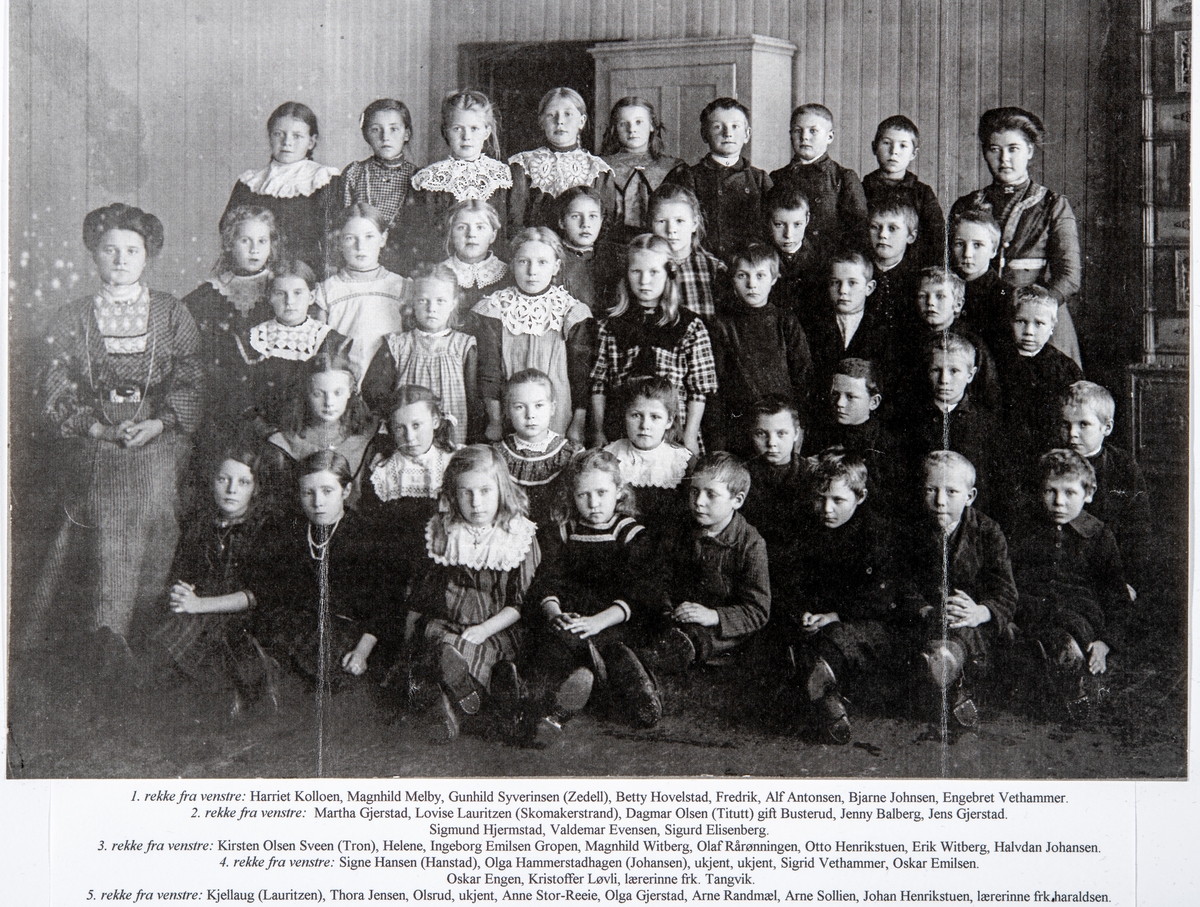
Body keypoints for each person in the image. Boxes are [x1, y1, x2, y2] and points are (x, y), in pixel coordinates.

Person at [34, 203, 203, 673]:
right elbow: (54, 385)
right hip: (93, 430)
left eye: (132, 250)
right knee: (100, 502)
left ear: (148, 256)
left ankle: (141, 628)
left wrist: (159, 424)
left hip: (159, 431)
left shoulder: (172, 311)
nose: (121, 259)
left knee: (153, 499)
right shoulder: (71, 316)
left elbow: (191, 379)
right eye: (110, 250)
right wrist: (99, 428)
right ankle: (101, 632)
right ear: (94, 254)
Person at [525, 449, 663, 744]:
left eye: (601, 493)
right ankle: (564, 699)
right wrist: (555, 613)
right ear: (572, 497)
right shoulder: (565, 532)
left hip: (612, 621)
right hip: (573, 621)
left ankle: (633, 691)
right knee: (554, 647)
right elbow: (548, 579)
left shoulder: (630, 533)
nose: (593, 503)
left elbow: (641, 591)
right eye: (583, 495)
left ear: (619, 492)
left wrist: (598, 621)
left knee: (615, 650)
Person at [405, 446, 540, 741]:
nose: (476, 503)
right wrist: (409, 632)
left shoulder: (518, 535)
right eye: (466, 493)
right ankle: (454, 703)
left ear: (502, 490)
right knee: (440, 648)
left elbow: (520, 602)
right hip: (447, 624)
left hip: (497, 627)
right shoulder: (444, 530)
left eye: (485, 491)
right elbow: (424, 591)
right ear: (454, 495)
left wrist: (484, 629)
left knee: (483, 656)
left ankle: (481, 699)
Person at [950, 107, 1083, 366]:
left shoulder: (1053, 204)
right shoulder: (966, 205)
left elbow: (1069, 276)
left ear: (1029, 151)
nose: (1004, 159)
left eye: (1013, 149)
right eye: (994, 149)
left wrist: (1036, 310)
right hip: (980, 316)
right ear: (984, 152)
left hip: (1034, 321)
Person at [151, 447, 276, 717]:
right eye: (223, 479)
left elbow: (254, 595)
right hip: (201, 610)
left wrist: (198, 604)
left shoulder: (263, 529)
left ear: (255, 489)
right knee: (168, 632)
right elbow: (182, 573)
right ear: (212, 481)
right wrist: (182, 593)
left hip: (242, 617)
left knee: (193, 636)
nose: (231, 489)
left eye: (243, 482)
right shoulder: (200, 525)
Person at [899, 451, 1017, 733]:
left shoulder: (987, 532)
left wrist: (980, 611)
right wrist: (925, 609)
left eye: (951, 492)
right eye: (931, 490)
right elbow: (902, 584)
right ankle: (952, 688)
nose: (940, 500)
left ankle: (952, 679)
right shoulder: (912, 532)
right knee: (915, 642)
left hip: (972, 623)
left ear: (970, 496)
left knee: (964, 636)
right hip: (929, 618)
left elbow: (1006, 591)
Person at [783, 449, 895, 744]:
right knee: (794, 640)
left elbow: (880, 596)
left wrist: (836, 615)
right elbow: (792, 580)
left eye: (837, 500)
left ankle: (824, 696)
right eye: (819, 498)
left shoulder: (875, 534)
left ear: (861, 497)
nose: (827, 508)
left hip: (859, 622)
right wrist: (803, 612)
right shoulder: (806, 529)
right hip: (816, 621)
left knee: (839, 641)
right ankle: (826, 701)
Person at [1009, 450, 1129, 721]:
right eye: (1050, 491)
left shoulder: (1098, 534)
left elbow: (1117, 599)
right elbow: (1010, 578)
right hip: (1031, 608)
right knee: (1017, 631)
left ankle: (1071, 676)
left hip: (1078, 616)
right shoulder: (1025, 528)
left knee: (1069, 637)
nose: (1059, 502)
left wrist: (1106, 643)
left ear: (1089, 493)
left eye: (1070, 493)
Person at [253, 451, 391, 685]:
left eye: (328, 491)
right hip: (292, 629)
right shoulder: (290, 529)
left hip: (346, 635)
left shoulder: (366, 536)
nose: (317, 502)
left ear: (345, 491)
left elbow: (383, 606)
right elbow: (273, 591)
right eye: (308, 493)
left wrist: (361, 652)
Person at [639, 453, 771, 674]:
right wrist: (667, 609)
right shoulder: (680, 528)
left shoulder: (750, 544)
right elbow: (661, 576)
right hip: (680, 615)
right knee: (649, 619)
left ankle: (646, 665)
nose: (699, 501)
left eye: (711, 494)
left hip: (719, 628)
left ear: (737, 500)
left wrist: (713, 616)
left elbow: (758, 610)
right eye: (694, 491)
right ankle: (636, 662)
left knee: (695, 639)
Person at [590, 234, 718, 456]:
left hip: (674, 434)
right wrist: (599, 430)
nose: (644, 281)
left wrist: (689, 436)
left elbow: (699, 389)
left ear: (669, 274)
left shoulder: (690, 326)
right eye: (636, 272)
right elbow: (599, 384)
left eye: (654, 272)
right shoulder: (609, 325)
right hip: (622, 430)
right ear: (626, 274)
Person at [470, 227, 595, 444]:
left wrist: (578, 423)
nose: (532, 271)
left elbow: (581, 376)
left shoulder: (571, 311)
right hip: (509, 414)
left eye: (542, 262)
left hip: (557, 414)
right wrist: (495, 421)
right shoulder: (494, 309)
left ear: (556, 267)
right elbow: (489, 372)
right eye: (523, 262)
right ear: (512, 265)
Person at [360, 386, 460, 615]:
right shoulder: (383, 471)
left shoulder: (452, 462)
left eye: (417, 425)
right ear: (390, 428)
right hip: (395, 563)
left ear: (435, 421)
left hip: (442, 560)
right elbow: (374, 528)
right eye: (400, 428)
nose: (410, 437)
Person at [184, 206, 278, 449]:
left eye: (262, 241)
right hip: (224, 402)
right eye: (245, 240)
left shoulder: (283, 289)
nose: (255, 249)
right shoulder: (207, 295)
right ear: (228, 243)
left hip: (275, 399)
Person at [707, 242, 812, 452]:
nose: (751, 284)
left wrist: (799, 426)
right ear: (732, 279)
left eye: (760, 276)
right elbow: (716, 385)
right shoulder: (722, 325)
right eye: (742, 275)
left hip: (781, 426)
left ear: (774, 279)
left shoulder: (785, 321)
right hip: (739, 428)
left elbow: (804, 377)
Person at [362, 262, 478, 445]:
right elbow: (375, 391)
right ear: (413, 302)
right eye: (423, 300)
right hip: (409, 436)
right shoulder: (397, 345)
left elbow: (474, 399)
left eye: (440, 301)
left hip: (453, 433)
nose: (432, 308)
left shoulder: (463, 346)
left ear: (453, 303)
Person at [236, 259, 352, 439]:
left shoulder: (329, 340)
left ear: (311, 297)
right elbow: (242, 398)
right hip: (264, 433)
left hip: (313, 432)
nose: (289, 301)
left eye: (298, 293)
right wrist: (266, 432)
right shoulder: (253, 340)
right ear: (269, 297)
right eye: (280, 293)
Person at [222, 102, 339, 277]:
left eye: (297, 136)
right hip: (253, 272)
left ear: (311, 141)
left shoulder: (324, 180)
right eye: (279, 134)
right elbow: (228, 230)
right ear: (270, 137)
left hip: (304, 276)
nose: (287, 142)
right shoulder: (250, 183)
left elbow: (334, 236)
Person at [1059, 381, 1151, 596]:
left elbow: (1138, 529)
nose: (1072, 433)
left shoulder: (1123, 467)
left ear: (1106, 428)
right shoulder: (1051, 463)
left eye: (1083, 424)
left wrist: (1128, 581)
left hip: (1108, 570)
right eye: (1065, 424)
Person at [406, 90, 512, 267]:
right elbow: (423, 235)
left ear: (487, 131)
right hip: (445, 269)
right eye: (457, 129)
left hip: (495, 267)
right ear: (446, 132)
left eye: (474, 128)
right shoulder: (430, 178)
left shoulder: (502, 175)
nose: (466, 137)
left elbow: (508, 229)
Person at [315, 203, 410, 389]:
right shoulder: (327, 290)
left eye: (369, 237)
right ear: (339, 241)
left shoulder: (400, 286)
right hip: (342, 384)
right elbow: (321, 346)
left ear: (383, 239)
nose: (360, 246)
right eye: (350, 238)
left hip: (390, 380)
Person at [264, 352, 377, 508]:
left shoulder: (365, 438)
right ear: (306, 393)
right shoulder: (284, 441)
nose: (329, 402)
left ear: (350, 392)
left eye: (338, 393)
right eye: (318, 394)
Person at [993, 287, 1084, 482]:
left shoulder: (1065, 368)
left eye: (1039, 323)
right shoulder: (996, 363)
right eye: (1021, 322)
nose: (1029, 331)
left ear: (1052, 326)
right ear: (1010, 321)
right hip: (1004, 454)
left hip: (1049, 453)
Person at [665, 97, 772, 259]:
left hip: (748, 265)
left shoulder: (759, 179)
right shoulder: (688, 176)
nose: (727, 133)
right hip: (700, 262)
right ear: (704, 134)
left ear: (747, 134)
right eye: (717, 127)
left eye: (735, 126)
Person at [508, 87, 617, 236]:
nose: (559, 121)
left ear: (582, 121)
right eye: (551, 115)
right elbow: (515, 221)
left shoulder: (597, 169)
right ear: (541, 121)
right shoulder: (523, 164)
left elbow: (605, 223)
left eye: (568, 114)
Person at [769, 103, 869, 251]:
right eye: (797, 131)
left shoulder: (844, 178)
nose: (804, 137)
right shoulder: (778, 178)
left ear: (830, 136)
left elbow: (858, 231)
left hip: (831, 260)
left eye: (813, 131)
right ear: (790, 135)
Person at [603, 376, 694, 535]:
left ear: (669, 421)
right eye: (636, 415)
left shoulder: (682, 461)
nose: (645, 425)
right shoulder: (608, 455)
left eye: (655, 417)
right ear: (625, 416)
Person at [806, 358, 899, 515]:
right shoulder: (819, 435)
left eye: (850, 396)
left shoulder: (885, 444)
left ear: (874, 402)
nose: (840, 403)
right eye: (835, 394)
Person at [492, 369, 583, 527]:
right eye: (520, 407)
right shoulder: (498, 454)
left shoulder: (570, 453)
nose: (530, 415)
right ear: (507, 411)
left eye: (539, 405)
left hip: (558, 532)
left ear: (552, 408)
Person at [340, 98, 417, 273]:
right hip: (357, 261)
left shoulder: (418, 178)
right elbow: (342, 224)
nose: (385, 137)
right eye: (376, 129)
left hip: (402, 265)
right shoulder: (355, 173)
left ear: (406, 134)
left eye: (393, 129)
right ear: (366, 135)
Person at [861, 115, 945, 267]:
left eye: (903, 146)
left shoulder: (922, 194)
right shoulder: (862, 189)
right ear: (874, 147)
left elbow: (936, 239)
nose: (894, 151)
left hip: (912, 270)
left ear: (913, 153)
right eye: (887, 143)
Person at [806, 249, 890, 398]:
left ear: (869, 288)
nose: (843, 290)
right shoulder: (812, 327)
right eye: (835, 282)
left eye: (852, 283)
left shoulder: (882, 330)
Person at [600, 96, 685, 242]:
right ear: (614, 128)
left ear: (652, 126)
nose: (632, 129)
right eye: (623, 124)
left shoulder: (673, 168)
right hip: (613, 244)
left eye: (639, 122)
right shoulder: (601, 167)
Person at [648, 183, 727, 320]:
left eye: (679, 221)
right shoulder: (644, 267)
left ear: (694, 224)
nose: (671, 230)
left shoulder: (714, 269)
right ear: (651, 224)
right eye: (661, 221)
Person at [764, 185, 829, 335]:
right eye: (779, 225)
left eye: (797, 225)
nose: (788, 234)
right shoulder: (762, 259)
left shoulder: (821, 259)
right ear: (768, 221)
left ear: (807, 219)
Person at [949, 207, 1012, 356]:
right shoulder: (943, 287)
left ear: (993, 251)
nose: (967, 254)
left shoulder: (1006, 295)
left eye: (977, 245)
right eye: (959, 244)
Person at [556, 186, 623, 315]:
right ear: (562, 222)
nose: (585, 224)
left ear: (601, 220)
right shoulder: (552, 256)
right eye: (575, 216)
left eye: (592, 216)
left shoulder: (612, 258)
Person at [865, 196, 922, 335]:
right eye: (875, 227)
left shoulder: (916, 279)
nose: (882, 235)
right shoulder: (859, 272)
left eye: (892, 228)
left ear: (911, 236)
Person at [439, 199, 510, 312]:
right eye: (462, 227)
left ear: (493, 235)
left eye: (480, 227)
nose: (471, 234)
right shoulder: (438, 274)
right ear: (451, 234)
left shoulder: (508, 273)